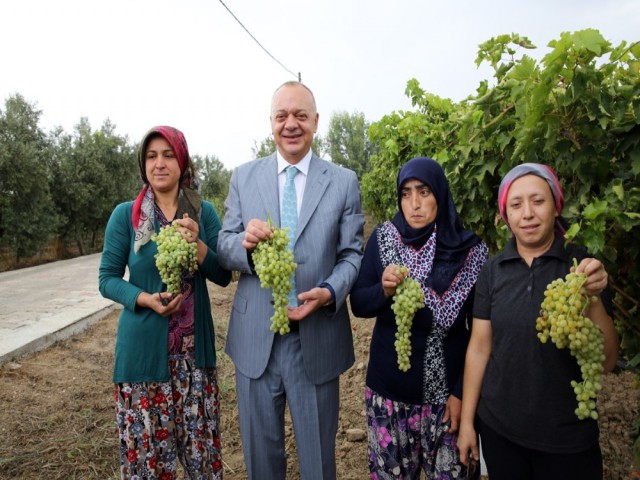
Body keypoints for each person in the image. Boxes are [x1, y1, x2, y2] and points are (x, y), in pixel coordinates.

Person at [217, 81, 364, 479]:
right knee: (261, 464)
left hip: (316, 339)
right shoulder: (243, 177)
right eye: (282, 116)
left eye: (300, 115)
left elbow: (352, 254)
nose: (291, 124)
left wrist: (330, 291)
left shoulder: (343, 181)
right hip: (255, 342)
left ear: (316, 122)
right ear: (271, 123)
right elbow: (223, 244)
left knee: (318, 463)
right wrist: (245, 246)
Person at [457, 163, 619, 480]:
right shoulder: (492, 270)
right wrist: (467, 424)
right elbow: (479, 348)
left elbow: (606, 362)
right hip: (500, 431)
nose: (527, 213)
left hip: (568, 439)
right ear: (506, 215)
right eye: (516, 205)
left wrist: (594, 297)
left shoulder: (581, 268)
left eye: (538, 201)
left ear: (556, 207)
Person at [99, 126, 231, 479]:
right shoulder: (126, 215)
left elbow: (223, 274)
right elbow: (107, 279)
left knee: (202, 462)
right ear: (143, 165)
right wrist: (143, 299)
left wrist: (200, 247)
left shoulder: (203, 214)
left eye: (168, 155)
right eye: (151, 156)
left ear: (182, 160)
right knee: (149, 466)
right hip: (142, 364)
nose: (159, 163)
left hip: (194, 363)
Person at [349, 157, 488, 479]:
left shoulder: (470, 252)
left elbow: (480, 333)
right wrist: (382, 292)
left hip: (447, 403)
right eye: (406, 193)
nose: (414, 204)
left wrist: (460, 393)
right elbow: (359, 304)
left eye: (424, 192)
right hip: (387, 399)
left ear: (440, 193)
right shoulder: (384, 239)